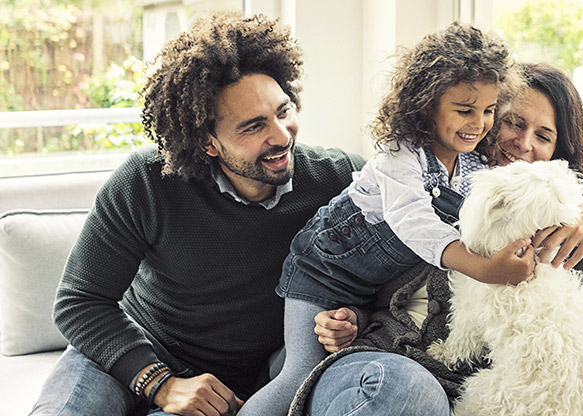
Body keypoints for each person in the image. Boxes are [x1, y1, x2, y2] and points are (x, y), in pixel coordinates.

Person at [294, 62, 583, 415]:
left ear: (557, 149)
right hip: (377, 357)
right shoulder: (431, 174)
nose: (523, 144)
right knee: (396, 387)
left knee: (411, 393)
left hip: (453, 384)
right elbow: (372, 276)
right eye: (513, 122)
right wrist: (348, 319)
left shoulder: (552, 196)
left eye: (543, 136)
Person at [29, 12, 373, 416]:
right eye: (253, 127)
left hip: (249, 379)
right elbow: (79, 301)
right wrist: (160, 384)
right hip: (135, 350)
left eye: (283, 111)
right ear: (207, 143)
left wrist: (354, 319)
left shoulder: (341, 180)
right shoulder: (146, 182)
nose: (281, 136)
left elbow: (387, 285)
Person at [238, 22, 526, 416]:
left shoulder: (473, 162)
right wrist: (484, 268)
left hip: (367, 293)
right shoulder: (401, 155)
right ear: (427, 105)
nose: (478, 123)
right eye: (464, 110)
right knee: (298, 374)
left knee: (313, 354)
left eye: (489, 110)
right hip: (323, 271)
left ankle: (282, 355)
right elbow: (414, 222)